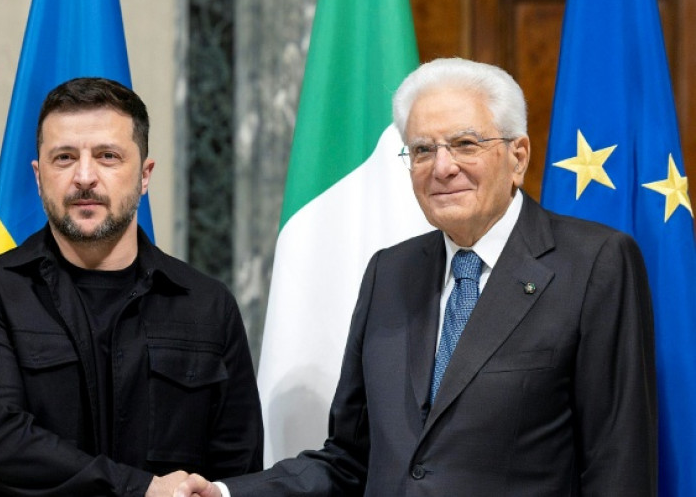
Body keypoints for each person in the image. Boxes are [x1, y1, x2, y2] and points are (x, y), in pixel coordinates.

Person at [174, 57, 657, 497]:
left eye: (465, 144)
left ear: (518, 156)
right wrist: (224, 494)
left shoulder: (593, 263)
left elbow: (618, 464)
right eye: (423, 150)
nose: (442, 168)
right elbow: (349, 460)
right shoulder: (390, 272)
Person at [0, 76, 263, 497]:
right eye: (64, 158)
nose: (84, 176)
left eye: (108, 156)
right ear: (38, 177)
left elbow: (237, 472)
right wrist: (140, 490)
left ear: (144, 175)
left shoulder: (207, 305)